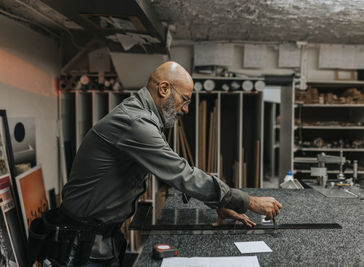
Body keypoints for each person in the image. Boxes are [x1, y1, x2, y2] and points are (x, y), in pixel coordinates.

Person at [56, 61, 282, 266]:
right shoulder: (135, 123)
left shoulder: (144, 117)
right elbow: (181, 174)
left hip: (101, 239)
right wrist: (249, 201)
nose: (186, 109)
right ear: (164, 89)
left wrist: (220, 203)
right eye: (185, 99)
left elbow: (175, 172)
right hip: (80, 244)